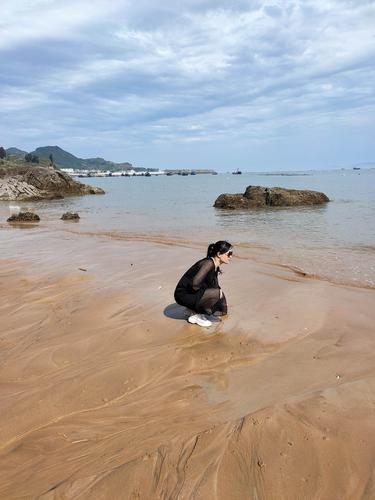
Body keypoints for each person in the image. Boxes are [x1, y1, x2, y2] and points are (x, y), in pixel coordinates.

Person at [174, 241, 233, 327]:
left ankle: (191, 310)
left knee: (219, 297)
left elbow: (214, 287)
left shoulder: (214, 265)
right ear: (219, 254)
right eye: (229, 254)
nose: (231, 256)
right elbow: (195, 284)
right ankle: (196, 315)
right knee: (216, 293)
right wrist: (206, 293)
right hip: (182, 295)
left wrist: (219, 303)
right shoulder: (208, 263)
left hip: (188, 294)